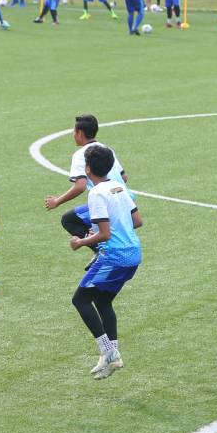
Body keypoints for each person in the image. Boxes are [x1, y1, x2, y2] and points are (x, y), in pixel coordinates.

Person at [69, 145, 143, 380]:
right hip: (133, 254)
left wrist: (81, 242)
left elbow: (104, 235)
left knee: (80, 300)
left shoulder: (96, 193)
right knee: (103, 301)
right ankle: (112, 356)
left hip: (115, 256)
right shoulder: (120, 187)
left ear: (88, 168)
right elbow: (138, 221)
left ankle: (107, 350)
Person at [43, 114, 128, 253]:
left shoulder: (81, 154)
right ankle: (101, 242)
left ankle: (101, 251)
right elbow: (124, 177)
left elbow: (80, 186)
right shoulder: (106, 149)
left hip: (106, 201)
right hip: (124, 199)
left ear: (80, 133)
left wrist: (57, 201)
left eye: (74, 131)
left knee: (69, 219)